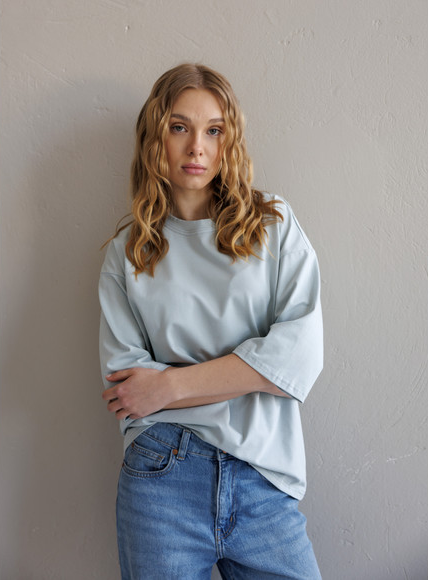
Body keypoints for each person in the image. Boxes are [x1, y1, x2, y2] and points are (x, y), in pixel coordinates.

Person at [99, 63, 323, 580]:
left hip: (263, 477)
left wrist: (169, 385)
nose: (197, 147)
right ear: (155, 137)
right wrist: (252, 372)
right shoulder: (128, 253)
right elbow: (129, 391)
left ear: (229, 140)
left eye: (214, 130)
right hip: (162, 477)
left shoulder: (272, 226)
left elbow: (298, 359)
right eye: (180, 127)